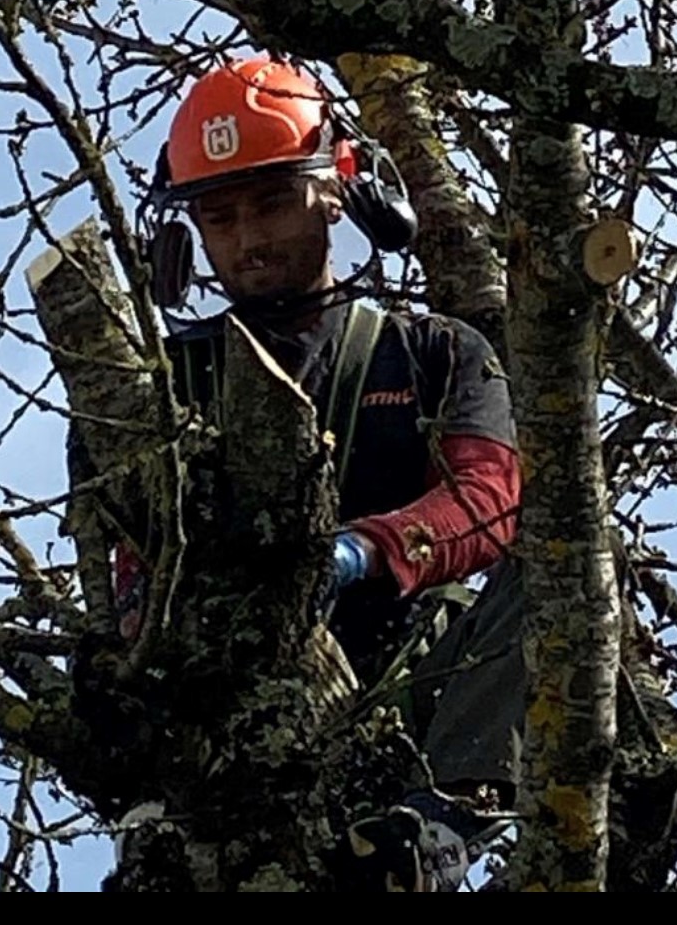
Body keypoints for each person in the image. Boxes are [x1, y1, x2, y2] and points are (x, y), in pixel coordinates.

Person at [137, 55, 527, 892]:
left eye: (273, 200)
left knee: (569, 557)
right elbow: (130, 564)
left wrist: (362, 552)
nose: (248, 238)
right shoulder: (166, 384)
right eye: (221, 215)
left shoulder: (434, 351)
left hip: (412, 680)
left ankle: (440, 818)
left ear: (339, 189)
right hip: (231, 707)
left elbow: (491, 499)